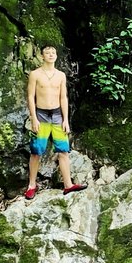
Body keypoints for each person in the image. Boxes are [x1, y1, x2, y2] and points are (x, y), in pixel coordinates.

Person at [25, 43, 87, 199]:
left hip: (58, 115)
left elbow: (63, 98)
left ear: (56, 56)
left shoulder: (61, 75)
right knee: (36, 151)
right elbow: (31, 97)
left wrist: (66, 120)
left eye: (53, 52)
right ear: (42, 56)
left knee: (63, 150)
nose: (51, 54)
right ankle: (32, 185)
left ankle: (68, 185)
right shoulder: (35, 74)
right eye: (47, 52)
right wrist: (34, 118)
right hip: (41, 115)